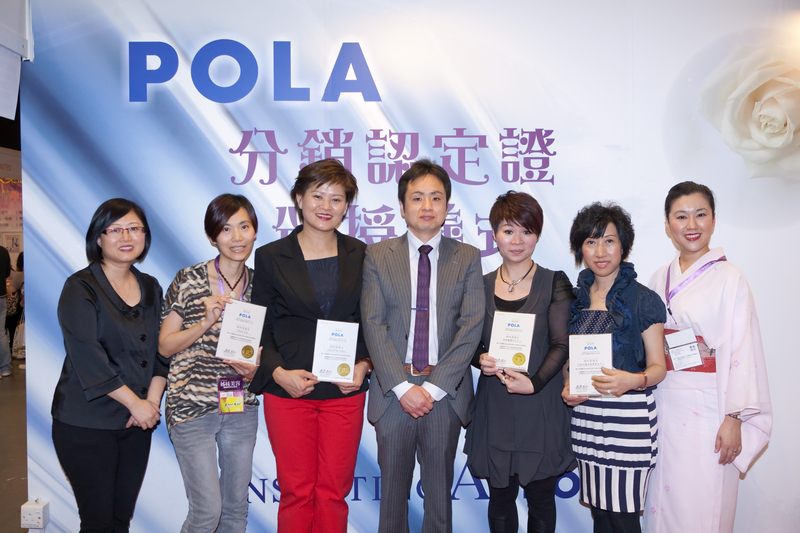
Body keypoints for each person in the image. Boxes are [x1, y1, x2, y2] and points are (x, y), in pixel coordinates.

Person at [361, 159, 485, 533]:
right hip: (393, 393)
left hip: (444, 395)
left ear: (447, 205)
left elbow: (471, 327)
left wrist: (431, 389)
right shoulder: (377, 255)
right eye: (417, 198)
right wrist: (403, 388)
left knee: (439, 502)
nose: (427, 206)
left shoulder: (467, 257)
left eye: (436, 197)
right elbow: (373, 324)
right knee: (392, 503)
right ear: (402, 207)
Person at [249, 159, 371, 532]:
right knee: (296, 493)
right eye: (317, 196)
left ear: (346, 206)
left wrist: (364, 365)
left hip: (343, 391)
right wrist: (277, 372)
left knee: (333, 493)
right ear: (299, 198)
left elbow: (370, 320)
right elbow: (261, 325)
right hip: (289, 391)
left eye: (337, 198)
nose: (326, 206)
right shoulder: (271, 256)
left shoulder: (362, 254)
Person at [642, 182, 771, 533]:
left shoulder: (731, 278)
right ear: (667, 224)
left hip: (710, 407)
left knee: (703, 502)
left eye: (700, 214)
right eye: (681, 216)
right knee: (661, 501)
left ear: (713, 220)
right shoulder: (658, 277)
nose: (691, 225)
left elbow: (743, 349)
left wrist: (734, 418)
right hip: (663, 401)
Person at [51, 198, 167, 532]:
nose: (126, 236)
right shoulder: (80, 287)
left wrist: (149, 405)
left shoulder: (150, 286)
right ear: (99, 238)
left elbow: (162, 353)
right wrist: (136, 404)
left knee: (120, 518)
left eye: (134, 228)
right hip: (86, 424)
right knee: (98, 521)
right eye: (115, 229)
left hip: (136, 423)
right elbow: (89, 358)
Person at [464, 191, 576, 533]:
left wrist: (534, 383)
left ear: (537, 235)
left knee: (541, 499)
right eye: (508, 230)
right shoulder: (479, 285)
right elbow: (468, 342)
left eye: (526, 231)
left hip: (540, 406)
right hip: (495, 407)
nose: (517, 241)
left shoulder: (554, 282)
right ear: (494, 234)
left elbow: (562, 343)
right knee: (500, 499)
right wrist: (479, 359)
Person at [561, 202, 666, 533]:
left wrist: (632, 380)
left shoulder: (643, 299)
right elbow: (570, 361)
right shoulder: (576, 299)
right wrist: (568, 385)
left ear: (623, 245)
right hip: (587, 420)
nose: (600, 251)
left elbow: (658, 367)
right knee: (601, 517)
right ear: (580, 249)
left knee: (622, 518)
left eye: (609, 240)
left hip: (629, 423)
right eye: (591, 242)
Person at [158, 194, 261, 533]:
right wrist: (204, 322)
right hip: (191, 404)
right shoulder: (189, 279)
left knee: (235, 510)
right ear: (212, 236)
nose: (237, 237)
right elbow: (165, 345)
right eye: (226, 229)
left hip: (240, 404)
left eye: (244, 227)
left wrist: (256, 368)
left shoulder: (261, 285)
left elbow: (266, 349)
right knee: (206, 512)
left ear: (255, 231)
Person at [7, 251, 23, 354]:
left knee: (9, 320)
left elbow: (10, 291)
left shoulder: (19, 275)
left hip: (20, 308)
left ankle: (12, 346)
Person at [0, 244, 12, 378]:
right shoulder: (3, 251)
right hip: (1, 295)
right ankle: (5, 367)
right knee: (1, 333)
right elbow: (7, 273)